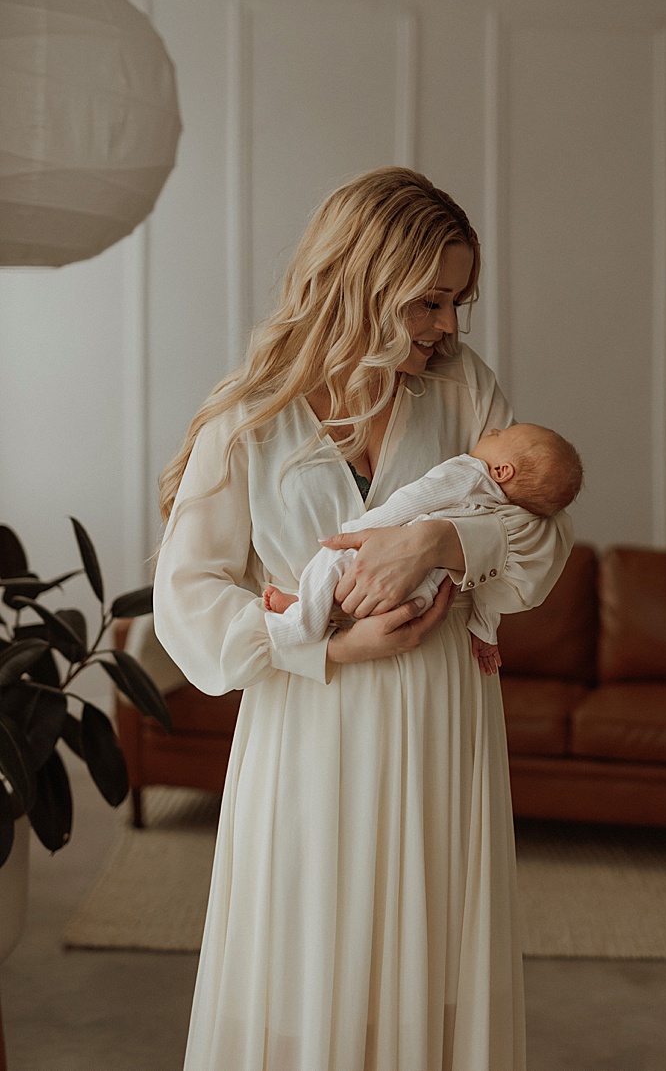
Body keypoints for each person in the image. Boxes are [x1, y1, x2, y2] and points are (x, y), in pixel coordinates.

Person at [154, 167, 574, 1071]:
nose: (451, 327)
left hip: (443, 734)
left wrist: (435, 542)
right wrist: (325, 641)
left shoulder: (465, 389)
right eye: (429, 302)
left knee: (431, 994)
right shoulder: (248, 417)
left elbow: (543, 549)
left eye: (459, 301)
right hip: (307, 736)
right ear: (360, 283)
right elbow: (186, 605)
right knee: (305, 987)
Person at [263, 422, 585, 676]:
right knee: (357, 597)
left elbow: (415, 498)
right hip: (424, 593)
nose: (491, 431)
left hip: (387, 559)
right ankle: (315, 611)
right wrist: (486, 632)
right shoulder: (504, 512)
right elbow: (486, 587)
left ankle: (301, 621)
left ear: (502, 471)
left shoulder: (470, 472)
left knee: (332, 562)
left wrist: (361, 531)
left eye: (499, 435)